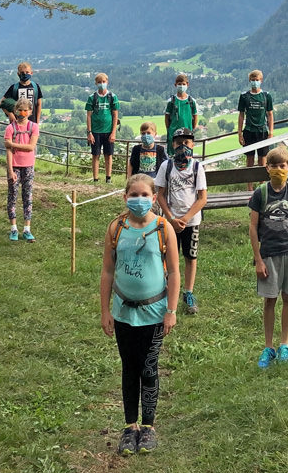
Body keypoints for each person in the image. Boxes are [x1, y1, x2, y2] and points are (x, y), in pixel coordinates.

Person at [101, 174, 180, 455]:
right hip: (123, 312)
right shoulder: (116, 228)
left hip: (155, 313)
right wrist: (105, 310)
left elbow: (173, 273)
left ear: (154, 197)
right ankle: (129, 425)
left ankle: (148, 426)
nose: (139, 200)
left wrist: (171, 311)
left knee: (148, 366)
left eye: (145, 195)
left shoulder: (163, 228)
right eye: (133, 194)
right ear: (125, 197)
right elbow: (108, 271)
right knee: (128, 367)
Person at [249, 146, 288, 368]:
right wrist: (258, 259)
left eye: (282, 166)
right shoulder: (259, 194)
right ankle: (268, 347)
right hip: (269, 255)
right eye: (273, 166)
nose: (278, 170)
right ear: (267, 168)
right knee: (270, 300)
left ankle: (284, 343)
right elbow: (253, 228)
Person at [154, 128, 207, 315]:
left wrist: (184, 218)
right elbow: (160, 195)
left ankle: (188, 291)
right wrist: (170, 217)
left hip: (191, 222)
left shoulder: (197, 167)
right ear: (172, 144)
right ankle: (168, 290)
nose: (183, 146)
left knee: (190, 257)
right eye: (178, 143)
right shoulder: (166, 167)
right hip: (171, 221)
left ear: (192, 145)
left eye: (187, 142)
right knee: (169, 258)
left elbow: (202, 198)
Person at [4, 99, 40, 242]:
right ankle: (13, 229)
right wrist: (10, 170)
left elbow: (31, 147)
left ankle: (27, 229)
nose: (22, 113)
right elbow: (8, 152)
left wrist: (13, 144)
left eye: (25, 110)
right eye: (20, 110)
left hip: (28, 166)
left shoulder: (34, 127)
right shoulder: (10, 128)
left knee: (28, 197)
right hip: (15, 166)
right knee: (12, 197)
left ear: (30, 112)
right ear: (15, 110)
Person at [237, 69, 275, 175]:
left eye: (257, 80)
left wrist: (271, 132)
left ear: (261, 80)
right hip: (249, 131)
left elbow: (270, 114)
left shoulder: (266, 96)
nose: (255, 82)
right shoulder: (244, 96)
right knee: (249, 159)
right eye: (253, 80)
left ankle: (261, 184)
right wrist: (240, 133)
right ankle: (249, 186)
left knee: (263, 160)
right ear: (249, 80)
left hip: (262, 131)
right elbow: (241, 115)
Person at [86, 73, 120, 183]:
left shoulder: (112, 97)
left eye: (104, 82)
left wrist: (113, 132)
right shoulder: (92, 98)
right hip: (95, 131)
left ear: (107, 82)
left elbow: (115, 115)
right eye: (99, 82)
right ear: (96, 83)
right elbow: (89, 116)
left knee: (108, 155)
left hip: (108, 131)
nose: (102, 84)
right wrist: (89, 132)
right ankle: (95, 179)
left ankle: (108, 178)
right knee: (95, 155)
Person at [163, 74, 198, 155]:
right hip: (174, 133)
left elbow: (195, 116)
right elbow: (167, 117)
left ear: (187, 84)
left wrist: (191, 129)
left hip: (187, 133)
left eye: (183, 84)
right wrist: (169, 130)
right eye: (179, 84)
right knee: (173, 155)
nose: (181, 86)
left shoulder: (191, 101)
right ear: (175, 85)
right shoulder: (171, 101)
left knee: (187, 155)